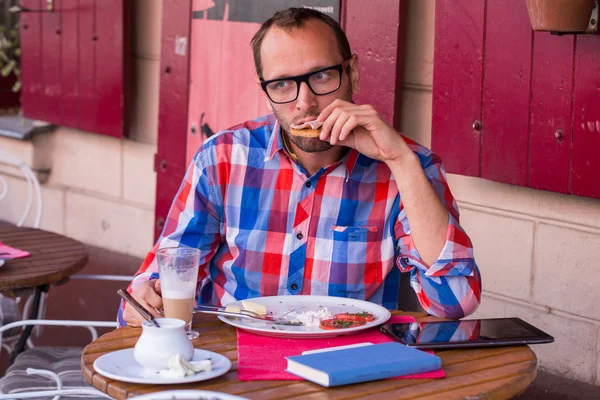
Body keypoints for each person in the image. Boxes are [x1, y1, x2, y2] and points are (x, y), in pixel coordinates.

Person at [119, 7, 481, 327]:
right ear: (266, 90)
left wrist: (400, 161)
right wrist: (145, 299)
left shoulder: (408, 165)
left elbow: (455, 301)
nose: (304, 103)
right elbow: (156, 281)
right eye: (282, 84)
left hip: (348, 364)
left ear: (351, 72)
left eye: (321, 76)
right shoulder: (222, 159)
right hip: (232, 359)